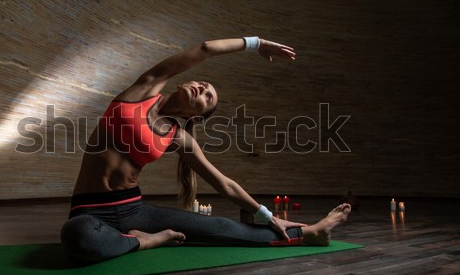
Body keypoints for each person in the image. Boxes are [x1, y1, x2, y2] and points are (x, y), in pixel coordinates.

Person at [61, 36, 351, 262]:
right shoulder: (143, 90)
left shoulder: (179, 138)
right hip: (90, 209)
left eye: (208, 96)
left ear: (196, 117)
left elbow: (224, 184)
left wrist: (266, 214)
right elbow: (205, 48)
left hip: (134, 209)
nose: (202, 88)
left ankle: (312, 232)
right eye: (203, 84)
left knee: (219, 228)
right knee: (78, 237)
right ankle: (146, 240)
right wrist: (257, 43)